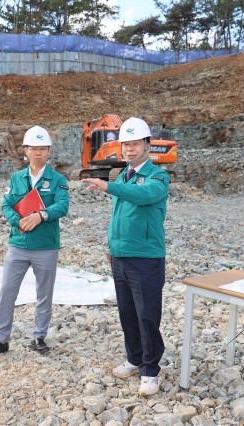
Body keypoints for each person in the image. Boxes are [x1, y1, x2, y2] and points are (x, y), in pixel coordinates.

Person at [82, 117, 169, 397]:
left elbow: (141, 196)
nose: (129, 150)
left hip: (145, 258)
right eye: (125, 144)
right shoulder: (123, 175)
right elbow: (119, 215)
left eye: (134, 143)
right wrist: (112, 247)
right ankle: (134, 358)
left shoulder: (157, 177)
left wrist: (108, 187)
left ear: (147, 145)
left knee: (147, 316)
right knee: (128, 314)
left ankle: (150, 370)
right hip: (120, 257)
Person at [0, 126, 70, 361]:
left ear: (48, 151)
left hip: (45, 246)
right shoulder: (16, 178)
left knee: (44, 293)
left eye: (42, 149)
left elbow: (62, 206)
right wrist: (19, 221)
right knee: (7, 292)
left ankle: (39, 337)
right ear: (26, 150)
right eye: (34, 148)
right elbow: (6, 205)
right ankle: (1, 340)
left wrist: (41, 215)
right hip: (18, 245)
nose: (38, 153)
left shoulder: (58, 180)